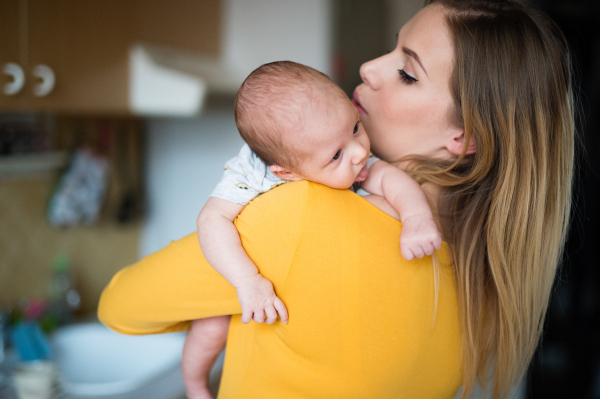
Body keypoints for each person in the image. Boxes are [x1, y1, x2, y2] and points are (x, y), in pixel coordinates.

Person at [98, 0, 575, 398]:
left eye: (407, 73)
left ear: (465, 136)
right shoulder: (486, 288)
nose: (369, 66)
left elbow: (119, 306)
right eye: (392, 51)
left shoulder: (304, 215)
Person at [184, 61, 443, 399]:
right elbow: (211, 220)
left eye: (355, 128)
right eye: (336, 155)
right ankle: (195, 384)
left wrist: (417, 219)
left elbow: (392, 180)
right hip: (242, 274)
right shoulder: (250, 175)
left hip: (301, 284)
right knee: (211, 327)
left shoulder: (346, 152)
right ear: (287, 172)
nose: (359, 153)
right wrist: (247, 280)